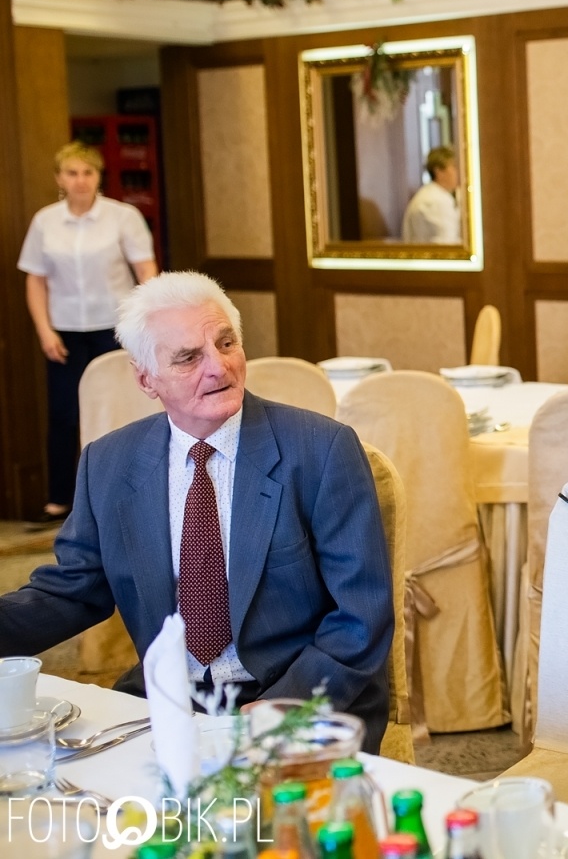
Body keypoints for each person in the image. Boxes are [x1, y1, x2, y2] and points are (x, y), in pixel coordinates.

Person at [0, 272, 394, 750]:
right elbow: (74, 590)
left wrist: (283, 706)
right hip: (168, 701)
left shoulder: (320, 450)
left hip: (294, 695)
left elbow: (361, 615)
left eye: (226, 344)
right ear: (146, 378)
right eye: (189, 358)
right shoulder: (109, 463)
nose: (219, 367)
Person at [18, 142, 158, 523]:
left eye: (88, 173)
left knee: (123, 409)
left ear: (99, 177)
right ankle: (61, 499)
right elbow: (35, 280)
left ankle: (130, 491)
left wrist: (146, 321)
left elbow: (146, 271)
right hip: (64, 331)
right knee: (64, 414)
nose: (81, 181)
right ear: (59, 178)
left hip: (114, 329)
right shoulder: (45, 221)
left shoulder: (123, 217)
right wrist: (44, 331)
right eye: (72, 173)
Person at [400, 147, 461, 243]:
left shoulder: (438, 196)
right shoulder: (435, 201)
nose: (458, 172)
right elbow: (447, 244)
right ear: (439, 172)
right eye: (453, 167)